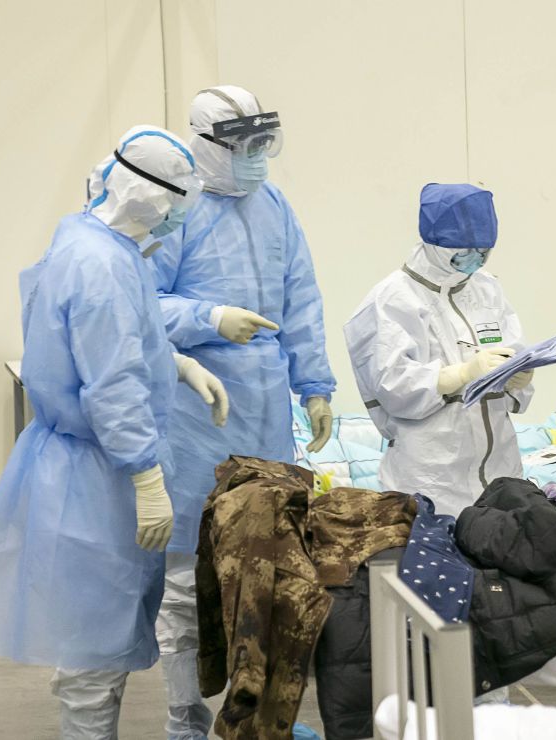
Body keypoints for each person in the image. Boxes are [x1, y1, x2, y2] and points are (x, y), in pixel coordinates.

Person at [0, 126, 228, 739]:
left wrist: (175, 361)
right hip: (95, 475)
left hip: (83, 467)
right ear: (151, 199)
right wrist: (145, 473)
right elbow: (110, 385)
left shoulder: (93, 238)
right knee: (90, 649)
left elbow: (113, 341)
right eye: (176, 204)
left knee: (98, 637)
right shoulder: (101, 264)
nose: (177, 219)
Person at [149, 85, 337, 739]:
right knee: (187, 581)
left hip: (265, 417)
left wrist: (315, 386)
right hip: (194, 419)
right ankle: (185, 718)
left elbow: (302, 299)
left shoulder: (275, 205)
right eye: (243, 145)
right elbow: (140, 306)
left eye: (265, 143)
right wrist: (209, 317)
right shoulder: (174, 210)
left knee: (264, 575)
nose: (257, 157)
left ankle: (251, 718)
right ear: (205, 144)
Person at [345, 183, 533, 515]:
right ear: (435, 246)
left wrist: (519, 376)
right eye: (463, 253)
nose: (475, 260)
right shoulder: (393, 299)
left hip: (501, 470)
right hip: (432, 477)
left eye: (483, 251)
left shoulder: (486, 289)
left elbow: (512, 347)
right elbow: (393, 387)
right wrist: (460, 374)